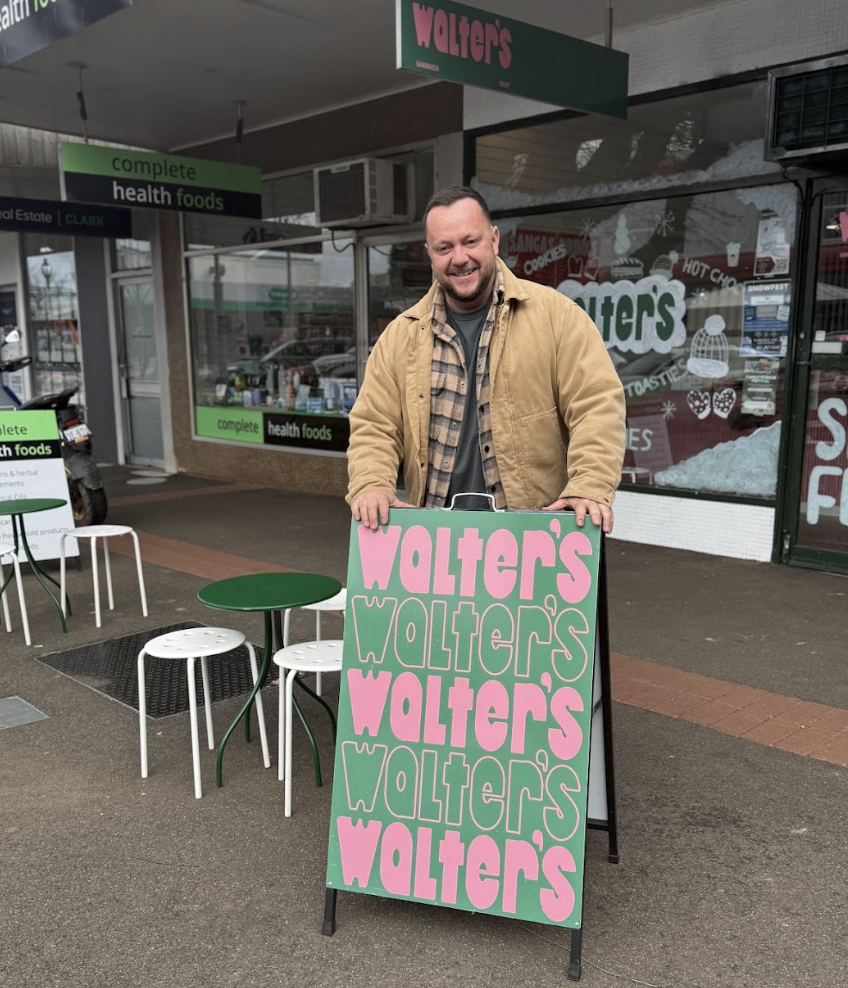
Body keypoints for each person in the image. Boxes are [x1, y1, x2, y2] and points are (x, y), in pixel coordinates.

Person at [347, 186, 626, 533]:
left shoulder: (559, 318)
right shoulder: (399, 337)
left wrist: (588, 485)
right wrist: (371, 483)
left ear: (494, 240)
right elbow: (374, 424)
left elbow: (596, 406)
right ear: (430, 255)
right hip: (434, 541)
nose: (459, 257)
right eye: (444, 248)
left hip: (536, 538)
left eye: (470, 241)